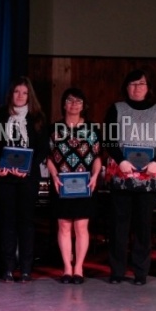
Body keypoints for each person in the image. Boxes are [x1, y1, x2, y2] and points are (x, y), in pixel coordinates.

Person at [103, 68, 156, 285]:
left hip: (148, 178)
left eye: (141, 84)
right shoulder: (116, 109)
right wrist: (121, 160)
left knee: (143, 227)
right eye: (132, 84)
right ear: (126, 87)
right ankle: (117, 271)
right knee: (119, 227)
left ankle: (140, 272)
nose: (137, 88)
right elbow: (109, 139)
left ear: (148, 87)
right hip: (121, 175)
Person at [0, 76, 49, 283]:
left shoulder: (38, 117)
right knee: (7, 223)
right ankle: (8, 267)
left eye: (24, 93)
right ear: (11, 94)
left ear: (29, 96)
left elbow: (43, 149)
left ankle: (26, 268)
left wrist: (28, 168)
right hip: (4, 177)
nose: (20, 96)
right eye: (16, 92)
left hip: (27, 178)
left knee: (26, 223)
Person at [45, 87, 102, 285]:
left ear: (83, 106)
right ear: (63, 104)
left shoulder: (93, 129)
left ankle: (78, 267)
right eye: (70, 101)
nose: (74, 105)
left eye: (78, 101)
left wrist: (95, 175)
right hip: (62, 184)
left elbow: (97, 157)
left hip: (85, 184)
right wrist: (53, 174)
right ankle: (67, 268)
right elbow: (49, 157)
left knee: (81, 226)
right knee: (63, 225)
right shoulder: (53, 129)